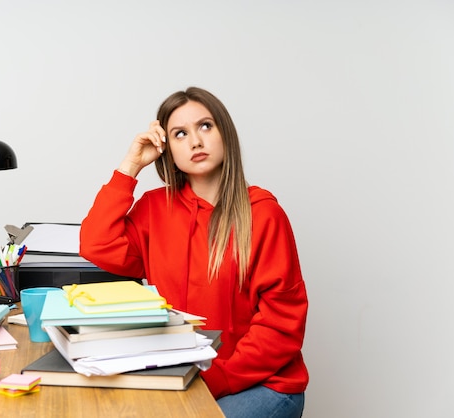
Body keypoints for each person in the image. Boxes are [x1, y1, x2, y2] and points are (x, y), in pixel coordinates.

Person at [79, 87, 308, 418]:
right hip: (185, 379)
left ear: (225, 134)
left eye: (205, 126)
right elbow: (96, 244)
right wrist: (130, 166)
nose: (195, 142)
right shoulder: (155, 209)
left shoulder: (263, 214)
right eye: (180, 134)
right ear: (167, 150)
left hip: (263, 385)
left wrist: (210, 380)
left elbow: (281, 325)